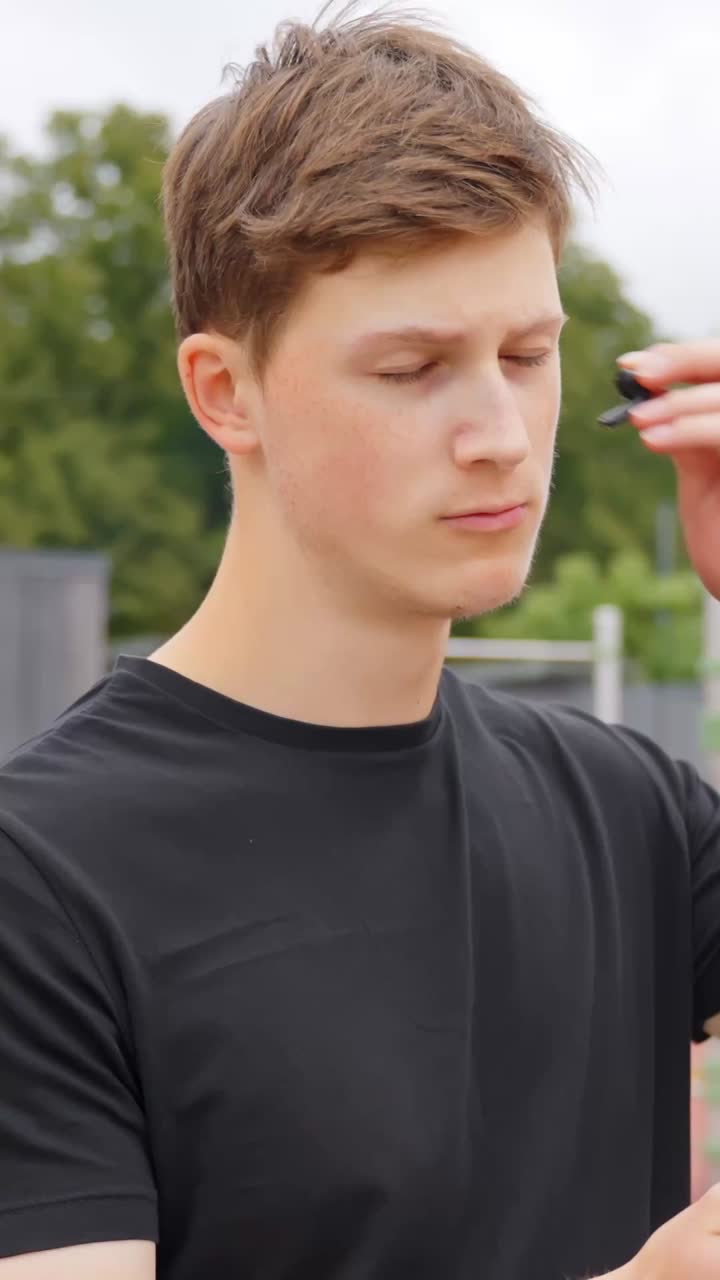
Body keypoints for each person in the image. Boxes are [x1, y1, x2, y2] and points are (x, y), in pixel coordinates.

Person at [1, 5, 720, 1278]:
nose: (503, 431)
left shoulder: (631, 811)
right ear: (227, 391)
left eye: (528, 352)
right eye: (413, 368)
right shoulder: (41, 881)